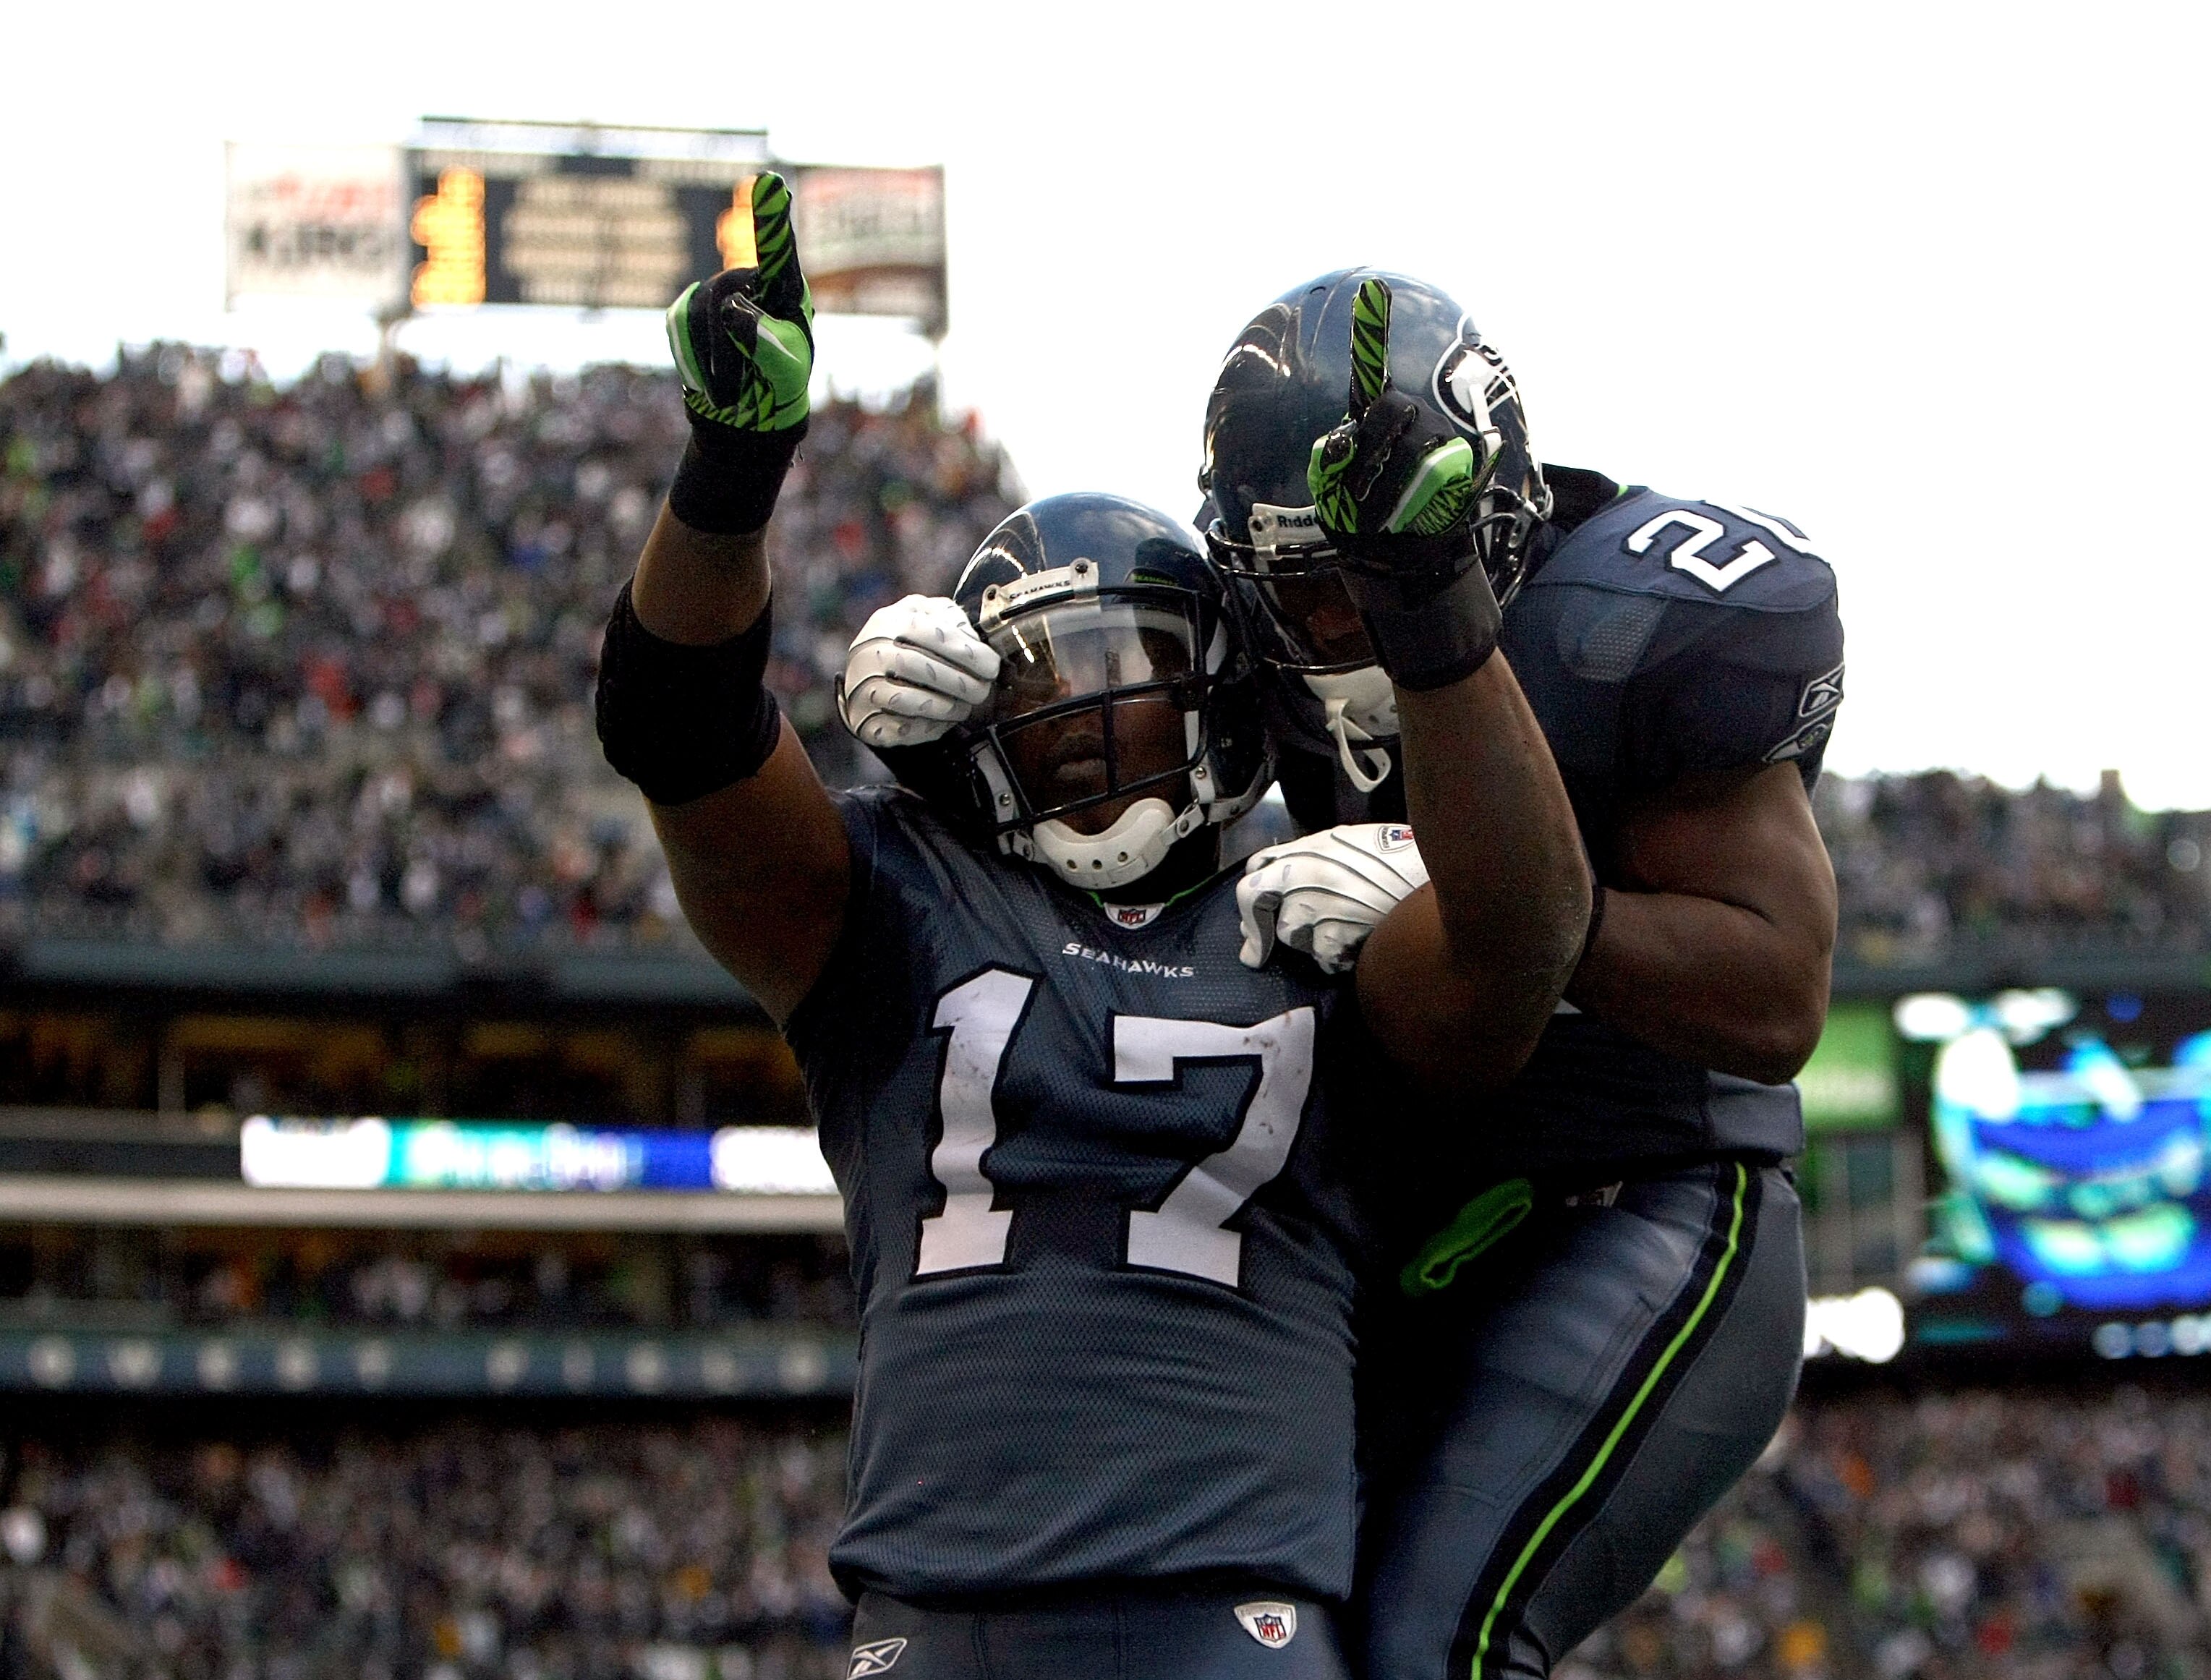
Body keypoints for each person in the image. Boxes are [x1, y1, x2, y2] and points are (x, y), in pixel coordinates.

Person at [597, 184, 1594, 1680]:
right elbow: (676, 727)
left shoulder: (1312, 906)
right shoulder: (895, 899)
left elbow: (1522, 951)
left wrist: (1428, 594)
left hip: (1230, 1602)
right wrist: (731, 474)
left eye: (1137, 677)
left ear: (1231, 702)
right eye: (1052, 688)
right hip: (935, 1607)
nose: (1094, 721)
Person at [1201, 269, 1839, 1680]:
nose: (1350, 626)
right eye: (1314, 591)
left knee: (1445, 1642)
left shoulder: (1624, 620)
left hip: (1643, 1195)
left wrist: (1503, 910)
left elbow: (1776, 991)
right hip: (1405, 1227)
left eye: (1383, 575)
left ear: (1488, 517)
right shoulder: (1249, 652)